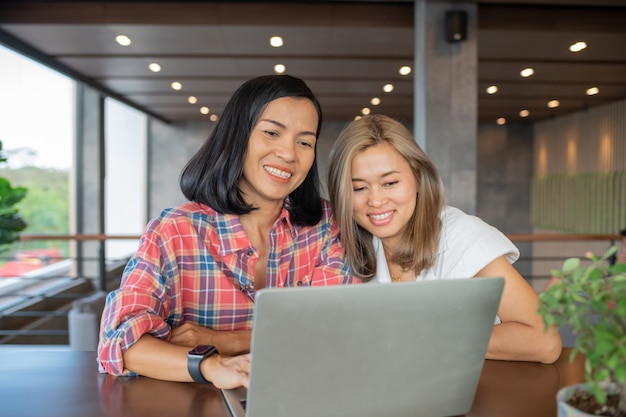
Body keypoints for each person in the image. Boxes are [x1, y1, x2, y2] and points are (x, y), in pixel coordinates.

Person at [98, 74, 357, 388]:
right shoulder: (175, 231)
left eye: (304, 142)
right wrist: (208, 365)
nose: (289, 153)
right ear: (238, 136)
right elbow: (120, 342)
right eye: (272, 133)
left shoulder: (326, 226)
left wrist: (220, 340)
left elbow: (335, 332)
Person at [327, 114, 562, 364]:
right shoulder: (343, 245)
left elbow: (543, 340)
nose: (375, 201)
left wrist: (427, 338)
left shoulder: (462, 236)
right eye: (359, 188)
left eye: (390, 183)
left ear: (417, 177)